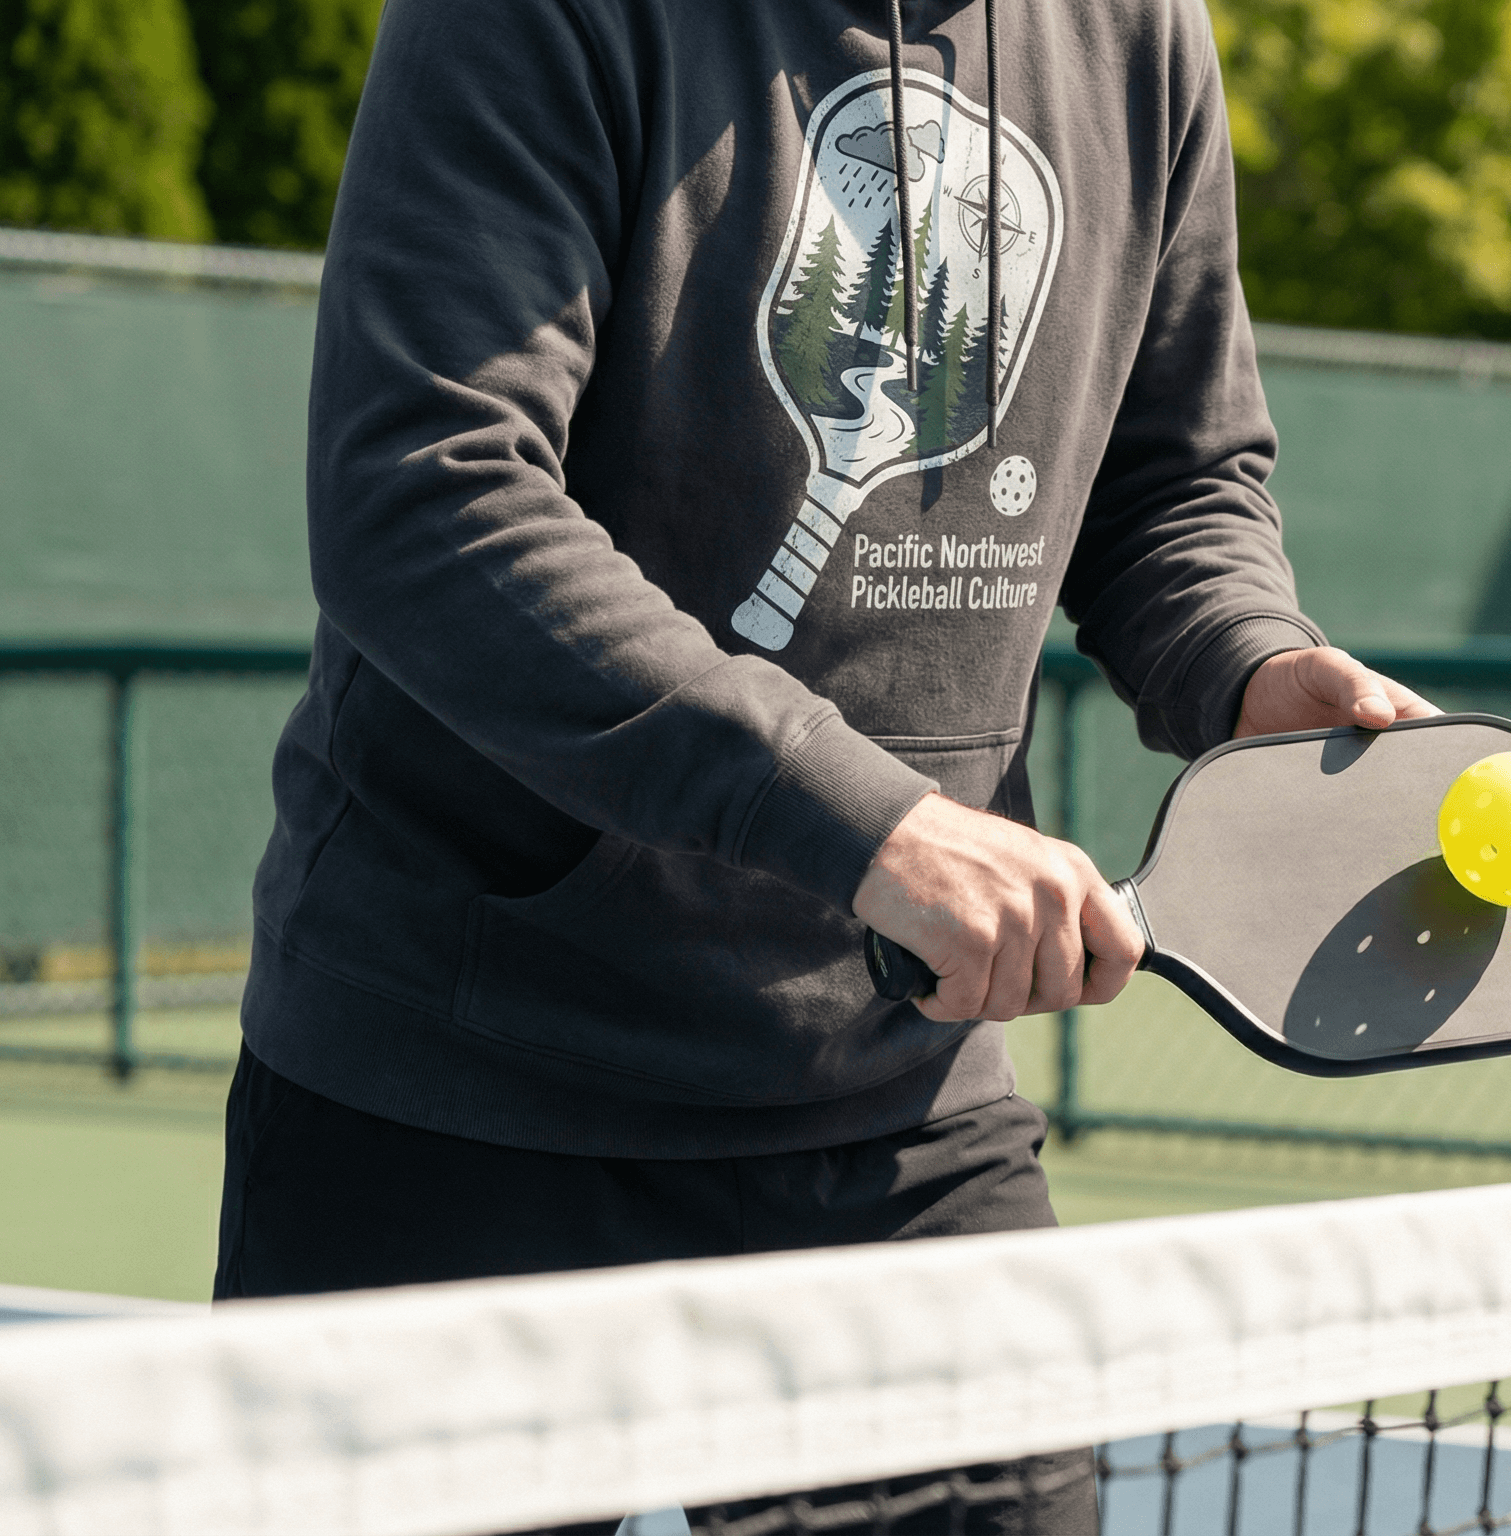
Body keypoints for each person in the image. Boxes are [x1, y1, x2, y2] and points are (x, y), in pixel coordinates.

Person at [215, 0, 1426, 1525]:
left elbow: (1175, 485)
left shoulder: (1141, 33)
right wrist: (873, 826)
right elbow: (427, 495)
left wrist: (1245, 660)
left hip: (895, 1103)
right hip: (459, 1105)